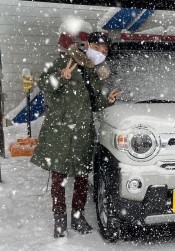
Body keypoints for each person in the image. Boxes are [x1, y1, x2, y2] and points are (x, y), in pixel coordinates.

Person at [31, 32, 119, 238]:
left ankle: (77, 218)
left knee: (81, 177)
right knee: (59, 177)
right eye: (97, 48)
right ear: (87, 44)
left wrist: (108, 100)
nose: (100, 53)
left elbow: (93, 102)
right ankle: (59, 221)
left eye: (104, 52)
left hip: (83, 132)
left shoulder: (95, 73)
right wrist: (61, 76)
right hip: (60, 130)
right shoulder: (67, 61)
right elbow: (44, 84)